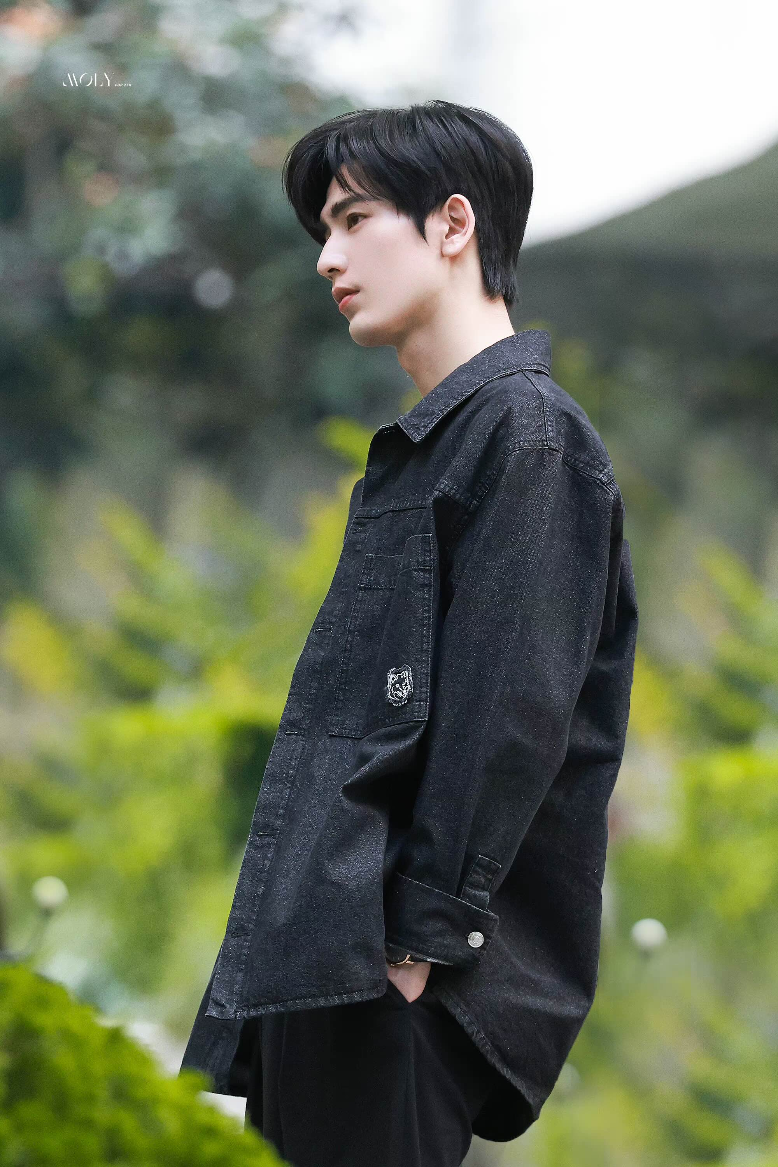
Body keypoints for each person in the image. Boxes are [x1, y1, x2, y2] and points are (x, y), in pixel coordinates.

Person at [178, 99, 639, 1167]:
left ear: (452, 224)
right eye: (323, 231)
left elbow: (509, 710)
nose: (327, 258)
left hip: (392, 978)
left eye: (353, 219)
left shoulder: (528, 437)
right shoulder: (438, 445)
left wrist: (420, 941)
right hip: (329, 959)